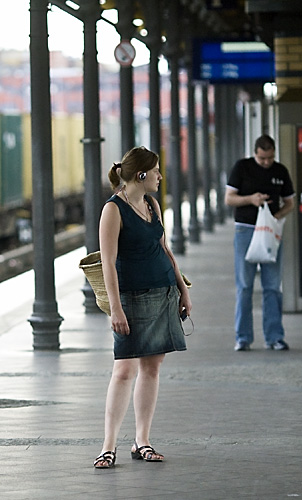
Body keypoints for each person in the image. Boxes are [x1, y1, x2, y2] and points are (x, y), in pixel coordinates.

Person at [94, 146, 192, 468]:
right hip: (132, 298)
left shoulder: (151, 204)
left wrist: (182, 289)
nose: (160, 176)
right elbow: (108, 262)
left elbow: (164, 248)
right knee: (124, 370)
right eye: (156, 171)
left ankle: (142, 441)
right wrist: (116, 308)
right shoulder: (113, 210)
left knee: (152, 368)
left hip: (163, 293)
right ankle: (109, 445)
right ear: (141, 175)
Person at [225, 135, 295, 352]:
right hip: (245, 229)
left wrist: (276, 218)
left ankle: (274, 337)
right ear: (255, 152)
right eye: (263, 158)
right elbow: (229, 198)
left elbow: (290, 202)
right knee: (245, 285)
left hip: (270, 232)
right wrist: (251, 199)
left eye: (270, 158)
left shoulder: (280, 171)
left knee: (272, 286)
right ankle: (243, 337)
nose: (266, 162)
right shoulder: (242, 167)